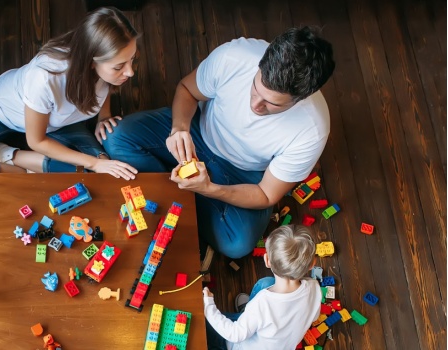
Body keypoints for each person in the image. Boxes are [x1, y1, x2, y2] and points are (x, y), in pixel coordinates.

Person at [101, 27, 335, 258]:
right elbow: (187, 89)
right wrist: (179, 128)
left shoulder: (312, 129)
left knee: (237, 244)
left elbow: (266, 194)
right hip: (196, 130)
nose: (255, 106)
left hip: (242, 174)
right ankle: (184, 198)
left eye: (272, 104)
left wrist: (212, 189)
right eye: (256, 89)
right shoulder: (234, 57)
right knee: (116, 138)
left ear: (300, 99)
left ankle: (175, 195)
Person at [0, 7, 139, 189]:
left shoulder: (106, 69)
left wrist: (104, 115)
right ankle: (9, 163)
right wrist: (93, 163)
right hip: (0, 113)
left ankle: (11, 153)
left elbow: (106, 85)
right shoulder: (46, 77)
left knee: (102, 175)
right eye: (119, 66)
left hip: (58, 124)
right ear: (91, 61)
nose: (130, 72)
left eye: (131, 60)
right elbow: (36, 140)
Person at [203, 225, 322, 349]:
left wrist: (209, 306)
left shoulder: (262, 304)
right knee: (266, 283)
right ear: (312, 265)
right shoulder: (314, 288)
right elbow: (314, 315)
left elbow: (234, 334)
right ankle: (248, 317)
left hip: (238, 344)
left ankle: (245, 319)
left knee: (204, 321)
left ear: (267, 260)